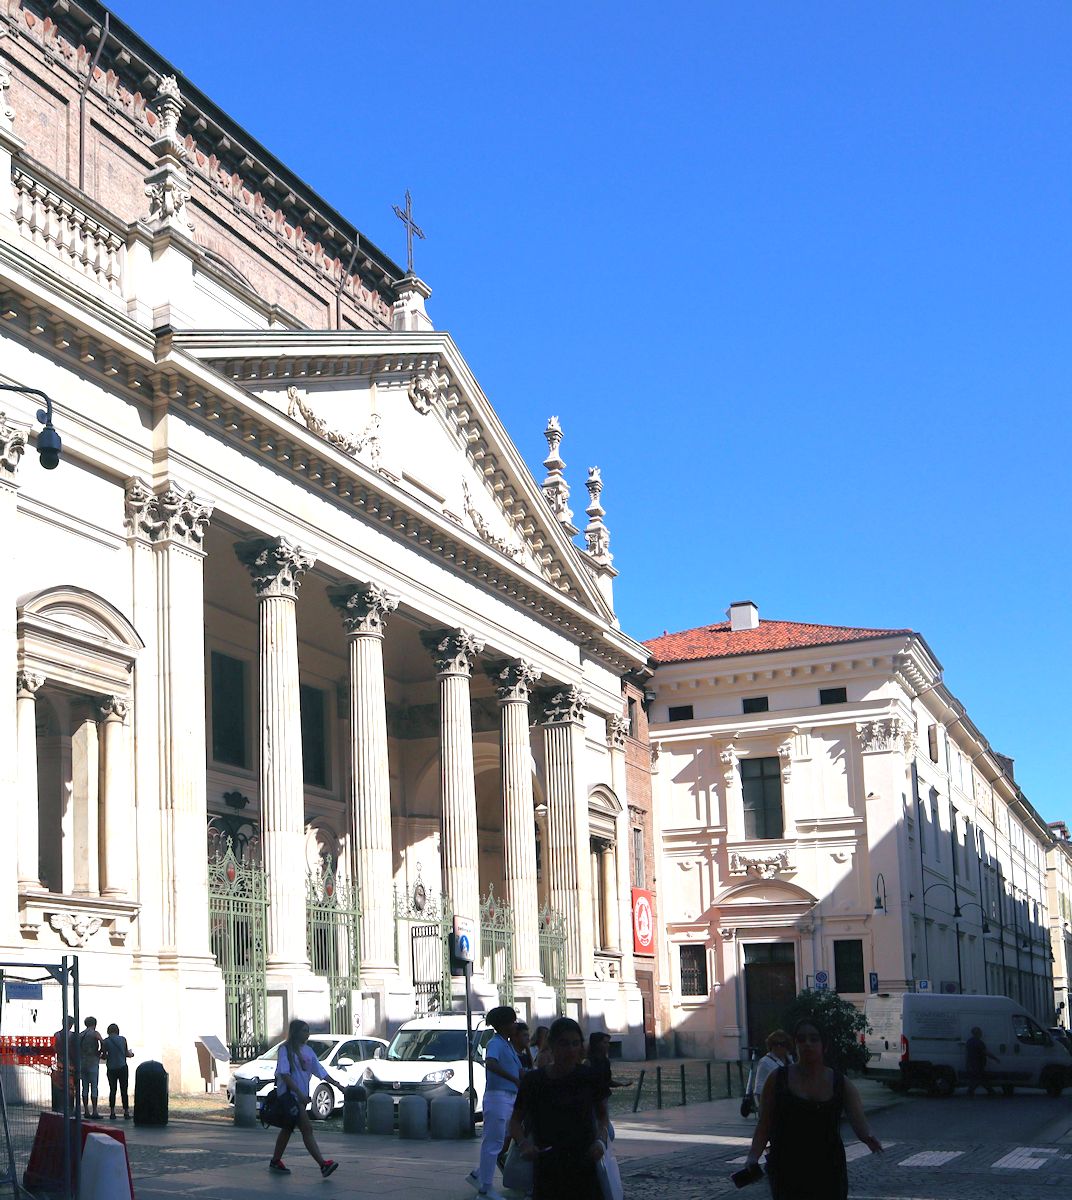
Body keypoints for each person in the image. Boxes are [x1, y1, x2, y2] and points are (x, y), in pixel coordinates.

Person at [744, 1018, 882, 1199]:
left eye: (814, 1039)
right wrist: (753, 1156)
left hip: (828, 1169)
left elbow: (859, 1120)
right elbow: (765, 1123)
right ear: (795, 1044)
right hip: (788, 1168)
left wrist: (868, 1137)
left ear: (824, 1045)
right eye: (801, 1039)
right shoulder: (777, 1079)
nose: (807, 1044)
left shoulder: (840, 1083)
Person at [509, 1016, 610, 1200]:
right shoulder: (534, 1081)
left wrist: (601, 1142)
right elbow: (515, 1121)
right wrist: (524, 1143)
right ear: (552, 1045)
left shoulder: (590, 1077)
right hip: (547, 1166)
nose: (570, 1050)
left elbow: (603, 1117)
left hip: (585, 1164)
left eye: (575, 1043)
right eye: (564, 1043)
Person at [269, 1019, 343, 1177]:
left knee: (288, 1129)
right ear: (295, 1032)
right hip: (290, 1096)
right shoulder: (285, 1050)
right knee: (307, 1129)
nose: (307, 1034)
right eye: (304, 1030)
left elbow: (320, 1071)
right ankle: (323, 1165)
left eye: (308, 1030)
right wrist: (299, 1093)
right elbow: (284, 1074)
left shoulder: (309, 1051)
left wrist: (338, 1085)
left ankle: (275, 1160)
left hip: (300, 1097)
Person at [468, 1006, 522, 1200]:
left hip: (508, 1097)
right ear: (504, 1024)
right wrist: (513, 1079)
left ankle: (479, 1175)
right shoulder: (496, 1043)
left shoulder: (506, 1044)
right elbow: (491, 1063)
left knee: (503, 1139)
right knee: (494, 1142)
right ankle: (485, 1188)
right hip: (499, 1097)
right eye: (512, 1022)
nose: (515, 1025)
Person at [751, 1029, 794, 1109]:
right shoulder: (765, 1062)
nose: (778, 1046)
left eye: (782, 1044)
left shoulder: (790, 1060)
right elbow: (758, 1089)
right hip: (773, 1104)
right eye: (775, 1044)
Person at [102, 1023, 134, 1119]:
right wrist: (132, 1054)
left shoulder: (106, 1041)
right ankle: (126, 1112)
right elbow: (126, 1053)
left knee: (113, 1090)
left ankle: (112, 1112)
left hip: (111, 1068)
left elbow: (104, 1056)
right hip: (122, 1067)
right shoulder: (123, 1039)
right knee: (124, 1089)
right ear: (117, 1030)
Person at [51, 1016, 77, 1113]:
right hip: (71, 1064)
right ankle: (70, 1107)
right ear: (71, 1025)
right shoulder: (74, 1036)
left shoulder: (56, 1035)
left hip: (60, 1063)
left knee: (59, 1085)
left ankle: (59, 1107)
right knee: (70, 1087)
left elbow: (54, 1049)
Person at [79, 1017, 104, 1118]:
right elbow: (103, 1042)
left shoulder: (81, 1034)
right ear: (95, 1023)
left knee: (84, 1087)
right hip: (93, 1061)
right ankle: (94, 1111)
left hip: (82, 1062)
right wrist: (101, 1052)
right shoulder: (95, 1033)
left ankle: (86, 1111)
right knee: (94, 1087)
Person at [965, 1026, 998, 1097]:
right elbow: (985, 1052)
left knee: (977, 1079)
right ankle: (991, 1092)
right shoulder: (979, 1042)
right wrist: (995, 1058)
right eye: (980, 1032)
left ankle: (971, 1092)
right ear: (978, 1033)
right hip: (978, 1064)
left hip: (971, 1063)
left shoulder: (969, 1041)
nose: (981, 1034)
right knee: (981, 1079)